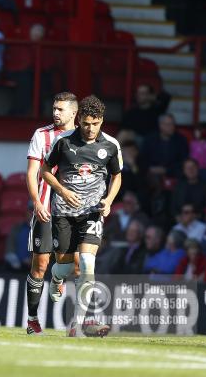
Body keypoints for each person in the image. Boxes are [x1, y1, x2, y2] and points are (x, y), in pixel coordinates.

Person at [42, 95, 122, 337]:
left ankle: (77, 323)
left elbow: (117, 176)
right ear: (78, 120)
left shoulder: (110, 145)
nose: (90, 128)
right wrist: (62, 190)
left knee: (87, 264)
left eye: (95, 124)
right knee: (65, 267)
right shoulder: (63, 142)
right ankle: (56, 277)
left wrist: (108, 201)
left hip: (92, 213)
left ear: (101, 121)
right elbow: (46, 170)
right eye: (86, 123)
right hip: (64, 213)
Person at [24, 91, 78, 335]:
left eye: (61, 109)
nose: (55, 113)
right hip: (46, 207)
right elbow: (31, 171)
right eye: (54, 108)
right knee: (40, 264)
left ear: (73, 112)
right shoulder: (41, 135)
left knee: (77, 264)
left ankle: (77, 320)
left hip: (73, 211)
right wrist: (36, 201)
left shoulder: (83, 138)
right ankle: (33, 320)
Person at [141, 113, 189, 178]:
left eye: (173, 124)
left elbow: (183, 160)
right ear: (161, 125)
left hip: (173, 173)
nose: (172, 127)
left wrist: (166, 170)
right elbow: (143, 158)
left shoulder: (181, 140)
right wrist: (150, 168)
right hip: (151, 172)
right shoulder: (150, 139)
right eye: (168, 124)